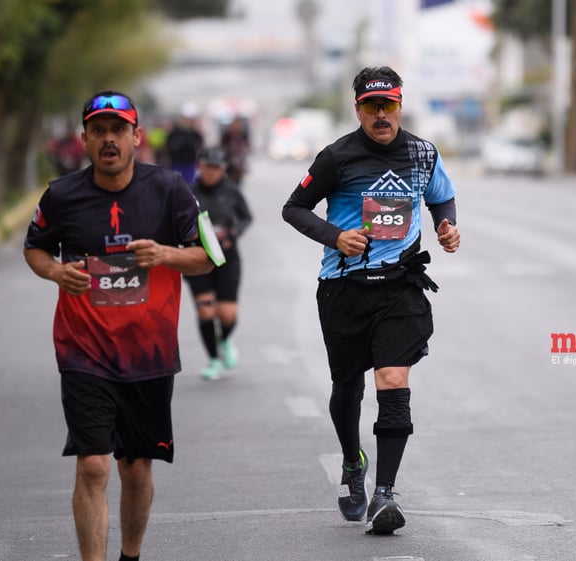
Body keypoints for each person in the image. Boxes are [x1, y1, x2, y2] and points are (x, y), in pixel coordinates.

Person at [23, 90, 214, 561]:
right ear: (84, 139)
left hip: (148, 353)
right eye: (99, 131)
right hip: (83, 350)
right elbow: (35, 247)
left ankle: (130, 554)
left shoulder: (170, 189)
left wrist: (166, 253)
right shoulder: (61, 196)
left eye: (118, 130)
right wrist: (55, 272)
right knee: (92, 466)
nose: (109, 140)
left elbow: (209, 256)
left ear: (137, 137)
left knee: (135, 469)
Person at [281, 66, 461, 535]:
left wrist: (446, 226)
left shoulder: (422, 152)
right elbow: (293, 208)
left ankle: (386, 493)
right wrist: (336, 236)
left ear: (400, 105)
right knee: (347, 390)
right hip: (343, 288)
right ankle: (351, 459)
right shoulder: (335, 157)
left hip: (400, 286)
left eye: (389, 105)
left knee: (392, 377)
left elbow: (442, 198)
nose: (381, 114)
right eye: (371, 106)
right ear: (357, 108)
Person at [184, 147, 253, 380]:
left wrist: (234, 233)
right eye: (207, 167)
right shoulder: (188, 192)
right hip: (196, 257)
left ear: (223, 169)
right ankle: (213, 360)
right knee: (205, 310)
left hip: (226, 257)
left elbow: (247, 217)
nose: (211, 172)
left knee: (227, 314)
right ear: (199, 166)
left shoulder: (231, 191)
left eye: (216, 168)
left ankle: (224, 339)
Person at [164, 103, 204, 184]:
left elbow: (199, 147)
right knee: (176, 184)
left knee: (189, 185)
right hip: (176, 163)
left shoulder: (195, 134)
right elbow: (168, 147)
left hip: (190, 164)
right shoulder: (174, 132)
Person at [220, 115, 251, 185]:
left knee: (238, 182)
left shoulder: (243, 134)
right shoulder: (227, 135)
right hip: (229, 162)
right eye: (235, 124)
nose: (236, 126)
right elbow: (222, 146)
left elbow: (247, 146)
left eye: (238, 124)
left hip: (239, 164)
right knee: (229, 182)